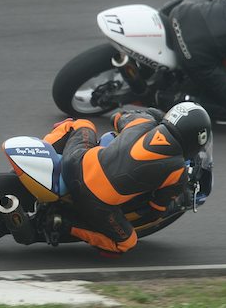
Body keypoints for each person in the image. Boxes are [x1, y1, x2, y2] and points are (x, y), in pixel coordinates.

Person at [42, 102, 213, 255]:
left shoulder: (143, 121)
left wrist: (150, 114)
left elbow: (117, 118)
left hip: (75, 162)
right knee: (126, 243)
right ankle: (64, 224)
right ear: (196, 140)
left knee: (81, 124)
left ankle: (43, 153)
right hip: (93, 200)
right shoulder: (178, 172)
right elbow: (156, 210)